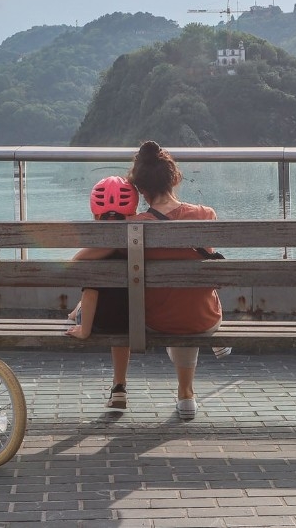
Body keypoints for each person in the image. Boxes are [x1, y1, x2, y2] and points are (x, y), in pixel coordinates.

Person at [127, 140, 223, 420]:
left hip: (156, 320)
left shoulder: (135, 224)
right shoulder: (206, 215)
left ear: (140, 189)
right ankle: (186, 394)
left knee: (173, 304)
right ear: (175, 178)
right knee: (194, 294)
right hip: (204, 318)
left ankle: (183, 395)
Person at [65, 176, 138, 409]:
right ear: (133, 215)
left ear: (95, 216)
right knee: (121, 312)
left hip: (99, 321)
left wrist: (84, 331)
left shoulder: (92, 255)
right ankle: (119, 385)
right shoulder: (139, 246)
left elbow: (91, 291)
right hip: (136, 319)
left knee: (84, 307)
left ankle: (75, 312)